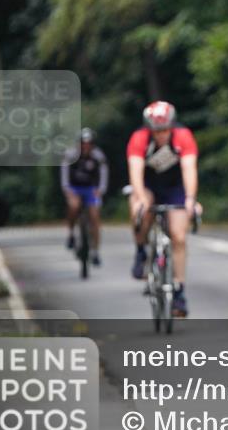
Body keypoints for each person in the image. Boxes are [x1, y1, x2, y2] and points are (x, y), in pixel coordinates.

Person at [126, 101, 200, 317]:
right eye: (156, 131)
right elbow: (136, 172)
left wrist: (190, 198)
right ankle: (141, 250)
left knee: (179, 236)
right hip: (149, 185)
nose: (161, 135)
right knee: (140, 209)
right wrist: (140, 198)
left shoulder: (183, 137)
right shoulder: (139, 139)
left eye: (165, 130)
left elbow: (189, 169)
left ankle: (178, 290)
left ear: (172, 126)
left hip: (174, 186)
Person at [61, 128, 108, 266]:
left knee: (94, 216)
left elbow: (104, 175)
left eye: (89, 143)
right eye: (83, 143)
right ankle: (70, 233)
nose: (86, 146)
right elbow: (64, 175)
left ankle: (95, 251)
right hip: (74, 187)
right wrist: (67, 190)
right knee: (73, 206)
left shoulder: (98, 156)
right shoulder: (70, 155)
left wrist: (100, 190)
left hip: (91, 189)